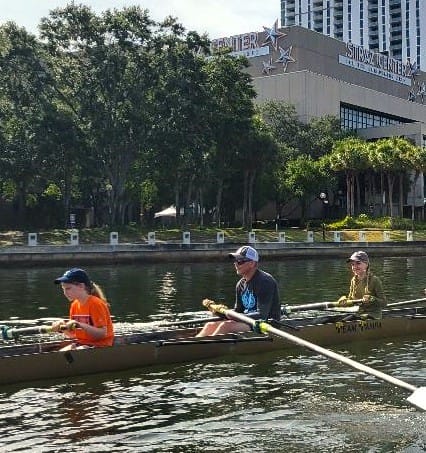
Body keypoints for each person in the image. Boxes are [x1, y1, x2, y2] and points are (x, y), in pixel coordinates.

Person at [196, 246, 281, 337]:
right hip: (248, 321)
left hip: (266, 325)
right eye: (235, 261)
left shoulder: (265, 281)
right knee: (210, 325)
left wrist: (232, 316)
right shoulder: (240, 285)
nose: (236, 264)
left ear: (252, 263)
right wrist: (219, 312)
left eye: (240, 261)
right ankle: (195, 347)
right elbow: (238, 311)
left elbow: (262, 315)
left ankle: (207, 349)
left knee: (226, 326)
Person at [52, 268, 114, 350]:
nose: (65, 293)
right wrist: (62, 328)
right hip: (82, 343)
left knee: (73, 353)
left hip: (101, 345)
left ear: (81, 286)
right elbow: (74, 335)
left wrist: (80, 325)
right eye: (63, 289)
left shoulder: (95, 303)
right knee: (60, 354)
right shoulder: (74, 305)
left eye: (68, 288)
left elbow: (101, 334)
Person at [336, 250, 387, 319]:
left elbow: (384, 303)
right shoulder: (353, 280)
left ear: (366, 264)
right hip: (358, 313)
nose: (354, 267)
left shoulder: (375, 280)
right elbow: (351, 300)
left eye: (358, 263)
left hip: (373, 315)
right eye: (352, 264)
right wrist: (345, 300)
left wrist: (372, 299)